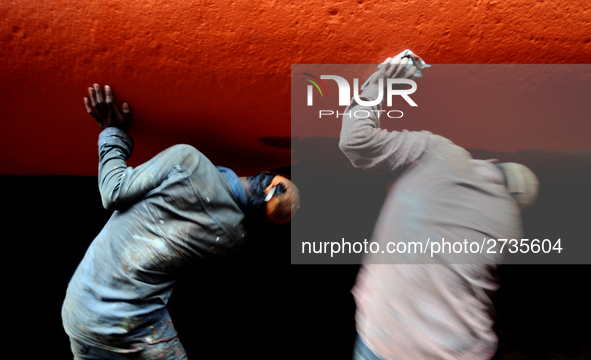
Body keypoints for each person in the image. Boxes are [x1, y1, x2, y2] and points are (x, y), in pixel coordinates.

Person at [62, 84, 300, 359]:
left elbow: (113, 191)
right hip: (133, 329)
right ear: (261, 222)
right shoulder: (235, 239)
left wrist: (112, 132)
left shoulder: (186, 161)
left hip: (80, 308)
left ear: (264, 173)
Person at [338, 57, 539, 360]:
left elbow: (357, 141)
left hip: (384, 335)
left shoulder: (443, 154)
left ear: (496, 164)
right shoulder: (508, 227)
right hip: (456, 350)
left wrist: (381, 85)